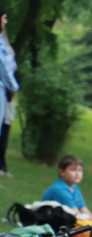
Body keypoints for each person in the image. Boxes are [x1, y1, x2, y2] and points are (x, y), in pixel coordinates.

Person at [41, 155, 92, 220]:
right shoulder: (59, 189)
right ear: (62, 172)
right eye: (73, 170)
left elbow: (83, 209)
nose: (77, 174)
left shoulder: (74, 187)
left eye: (80, 170)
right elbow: (77, 215)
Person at [0, 6, 19, 176]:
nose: (6, 21)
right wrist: (14, 86)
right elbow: (3, 67)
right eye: (4, 18)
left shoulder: (2, 39)